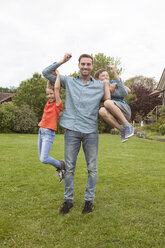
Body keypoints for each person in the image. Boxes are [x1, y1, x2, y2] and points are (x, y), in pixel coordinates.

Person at [42, 53, 109, 214]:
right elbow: (46, 73)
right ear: (78, 65)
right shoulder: (69, 82)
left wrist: (112, 80)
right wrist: (62, 61)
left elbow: (119, 92)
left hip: (91, 132)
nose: (85, 67)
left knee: (92, 169)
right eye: (83, 64)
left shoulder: (99, 85)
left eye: (88, 64)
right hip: (72, 130)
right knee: (70, 168)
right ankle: (68, 201)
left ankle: (88, 202)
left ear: (92, 66)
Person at [38, 70, 65, 183]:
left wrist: (58, 75)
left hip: (48, 133)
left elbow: (57, 88)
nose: (49, 96)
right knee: (41, 159)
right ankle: (60, 168)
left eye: (51, 93)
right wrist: (50, 77)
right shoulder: (48, 103)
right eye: (47, 94)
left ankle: (61, 165)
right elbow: (49, 86)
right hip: (41, 132)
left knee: (44, 158)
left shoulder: (58, 104)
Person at [94, 66, 134, 143]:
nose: (106, 77)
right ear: (97, 79)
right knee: (101, 110)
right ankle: (122, 130)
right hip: (114, 115)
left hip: (124, 110)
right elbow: (107, 97)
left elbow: (127, 91)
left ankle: (127, 125)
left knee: (107, 103)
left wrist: (115, 78)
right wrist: (107, 86)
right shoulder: (97, 90)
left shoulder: (112, 82)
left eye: (107, 75)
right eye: (103, 76)